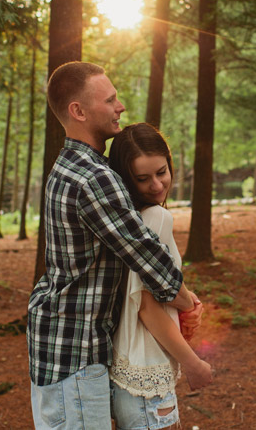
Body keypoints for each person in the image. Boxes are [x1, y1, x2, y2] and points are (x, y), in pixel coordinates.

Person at [27, 62, 204, 429]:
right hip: (75, 350)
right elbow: (149, 258)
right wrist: (190, 305)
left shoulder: (68, 165)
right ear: (78, 111)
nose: (120, 106)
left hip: (61, 345)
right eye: (110, 100)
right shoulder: (93, 177)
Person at [107, 123, 213, 430]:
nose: (156, 185)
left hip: (125, 372)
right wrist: (194, 364)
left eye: (161, 172)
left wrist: (186, 297)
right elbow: (147, 308)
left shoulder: (125, 222)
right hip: (146, 372)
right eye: (142, 178)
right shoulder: (155, 217)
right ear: (126, 180)